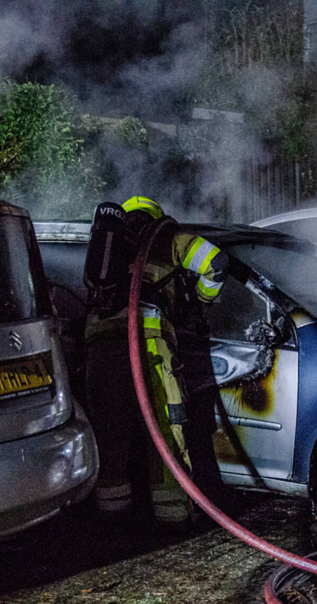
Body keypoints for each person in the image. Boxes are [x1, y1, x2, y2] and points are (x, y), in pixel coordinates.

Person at [83, 196, 228, 529]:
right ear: (156, 215)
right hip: (149, 340)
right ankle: (173, 517)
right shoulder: (168, 236)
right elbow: (217, 264)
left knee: (109, 431)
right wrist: (202, 300)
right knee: (165, 428)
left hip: (100, 343)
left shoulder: (106, 243)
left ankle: (112, 520)